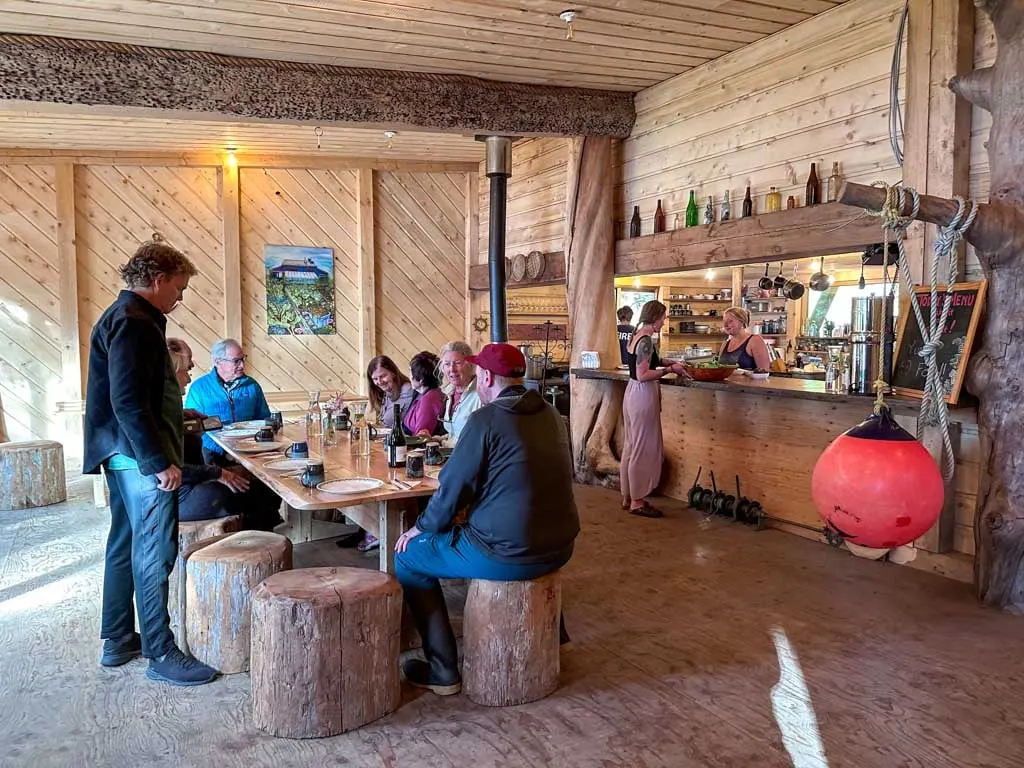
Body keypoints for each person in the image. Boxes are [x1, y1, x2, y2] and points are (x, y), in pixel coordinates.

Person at [393, 343, 580, 695]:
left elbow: (452, 488)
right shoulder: (551, 413)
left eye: (478, 371)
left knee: (408, 556)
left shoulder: (486, 419)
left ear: (487, 377)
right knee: (524, 520)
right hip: (562, 544)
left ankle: (442, 670)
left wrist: (421, 527)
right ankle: (558, 635)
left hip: (508, 554)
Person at [83, 240, 218, 686]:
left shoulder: (121, 317)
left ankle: (119, 637)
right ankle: (161, 650)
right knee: (153, 552)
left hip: (122, 455)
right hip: (139, 460)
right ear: (158, 280)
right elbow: (125, 400)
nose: (179, 297)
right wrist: (158, 462)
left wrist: (177, 416)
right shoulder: (135, 322)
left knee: (124, 544)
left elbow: (135, 394)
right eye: (178, 287)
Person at [167, 339, 251, 523]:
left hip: (194, 480)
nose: (189, 378)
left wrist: (190, 429)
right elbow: (173, 468)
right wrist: (217, 473)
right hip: (175, 497)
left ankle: (259, 534)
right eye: (186, 371)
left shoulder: (171, 408)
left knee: (250, 486)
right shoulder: (163, 408)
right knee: (241, 491)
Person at [621, 300, 688, 519]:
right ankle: (638, 502)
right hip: (642, 393)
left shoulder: (636, 335)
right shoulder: (646, 341)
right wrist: (669, 370)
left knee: (632, 446)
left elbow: (648, 363)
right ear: (656, 317)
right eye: (663, 317)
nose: (664, 321)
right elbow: (644, 374)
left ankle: (628, 496)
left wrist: (672, 362)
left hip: (631, 393)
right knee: (643, 448)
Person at [185, 338, 271, 462]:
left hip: (250, 451)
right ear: (218, 362)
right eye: (236, 361)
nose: (242, 365)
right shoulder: (199, 388)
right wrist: (225, 442)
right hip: (213, 453)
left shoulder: (252, 385)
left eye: (242, 359)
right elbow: (193, 426)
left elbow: (264, 419)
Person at [438, 341, 482, 444]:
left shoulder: (480, 395)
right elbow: (455, 432)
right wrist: (439, 439)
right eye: (447, 364)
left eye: (457, 363)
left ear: (470, 365)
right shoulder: (449, 392)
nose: (452, 369)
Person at [404, 351, 446, 437]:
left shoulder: (428, 400)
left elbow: (422, 437)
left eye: (410, 371)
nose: (409, 376)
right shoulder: (431, 394)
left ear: (421, 380)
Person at [719, 307, 772, 372]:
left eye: (730, 321)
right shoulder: (725, 344)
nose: (725, 325)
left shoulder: (755, 340)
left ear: (742, 322)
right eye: (724, 321)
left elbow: (764, 372)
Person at [366, 355, 415, 427]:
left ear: (393, 373)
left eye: (382, 376)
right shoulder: (385, 392)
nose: (379, 382)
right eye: (375, 379)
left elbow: (388, 421)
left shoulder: (407, 390)